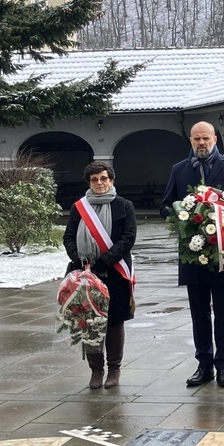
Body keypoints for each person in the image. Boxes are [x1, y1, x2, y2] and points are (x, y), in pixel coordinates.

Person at [160, 120, 224, 388]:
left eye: (206, 138)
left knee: (223, 312)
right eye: (196, 139)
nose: (201, 143)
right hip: (192, 254)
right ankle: (203, 364)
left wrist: (223, 224)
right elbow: (165, 207)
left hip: (221, 254)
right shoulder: (179, 170)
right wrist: (184, 215)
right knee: (199, 313)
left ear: (215, 139)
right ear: (190, 141)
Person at [63, 161, 137, 389]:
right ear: (89, 183)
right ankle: (96, 370)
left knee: (114, 321)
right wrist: (80, 261)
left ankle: (114, 369)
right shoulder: (79, 207)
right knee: (89, 321)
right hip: (85, 274)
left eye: (104, 178)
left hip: (114, 272)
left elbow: (128, 238)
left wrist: (104, 261)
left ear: (111, 180)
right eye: (94, 180)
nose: (99, 183)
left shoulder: (124, 206)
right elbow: (68, 236)